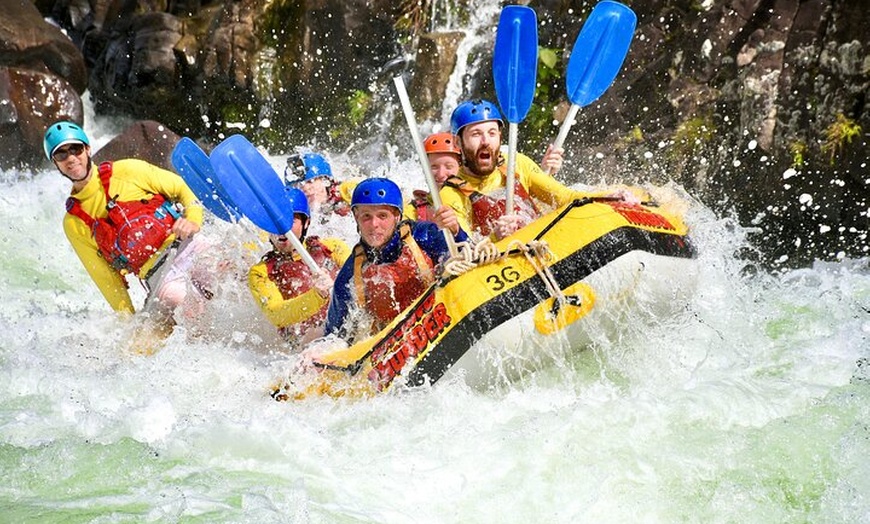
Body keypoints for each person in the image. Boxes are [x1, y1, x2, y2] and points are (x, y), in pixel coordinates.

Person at [44, 121, 209, 334]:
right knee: (186, 304)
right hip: (160, 276)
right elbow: (107, 280)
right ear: (55, 163)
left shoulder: (128, 170)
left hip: (188, 246)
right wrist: (131, 325)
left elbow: (181, 188)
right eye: (61, 154)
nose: (71, 158)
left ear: (88, 149)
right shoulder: (74, 223)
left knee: (231, 266)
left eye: (75, 149)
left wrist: (193, 219)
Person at [323, 177, 468, 343]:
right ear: (356, 218)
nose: (374, 224)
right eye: (366, 216)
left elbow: (468, 260)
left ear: (397, 216)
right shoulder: (350, 273)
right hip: (396, 344)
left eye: (382, 216)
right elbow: (333, 337)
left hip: (441, 321)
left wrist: (456, 231)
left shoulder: (425, 236)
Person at [439, 98, 600, 241]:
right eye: (476, 134)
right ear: (458, 142)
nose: (485, 141)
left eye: (492, 133)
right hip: (504, 260)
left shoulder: (516, 163)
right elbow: (466, 250)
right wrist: (495, 238)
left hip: (543, 244)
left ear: (500, 136)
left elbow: (565, 197)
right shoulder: (451, 194)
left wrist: (604, 196)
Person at [248, 187, 350, 346]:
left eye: (291, 220)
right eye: (273, 222)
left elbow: (359, 276)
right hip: (303, 343)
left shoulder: (332, 248)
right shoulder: (260, 272)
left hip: (346, 323)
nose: (281, 228)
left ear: (306, 223)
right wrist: (317, 295)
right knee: (314, 334)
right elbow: (276, 314)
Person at [403, 132, 462, 222]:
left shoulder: (472, 199)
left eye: (449, 167)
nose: (441, 174)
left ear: (461, 168)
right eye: (434, 167)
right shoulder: (413, 210)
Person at [284, 152, 357, 219]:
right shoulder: (297, 213)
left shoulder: (347, 192)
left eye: (310, 181)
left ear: (326, 180)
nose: (306, 188)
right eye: (299, 186)